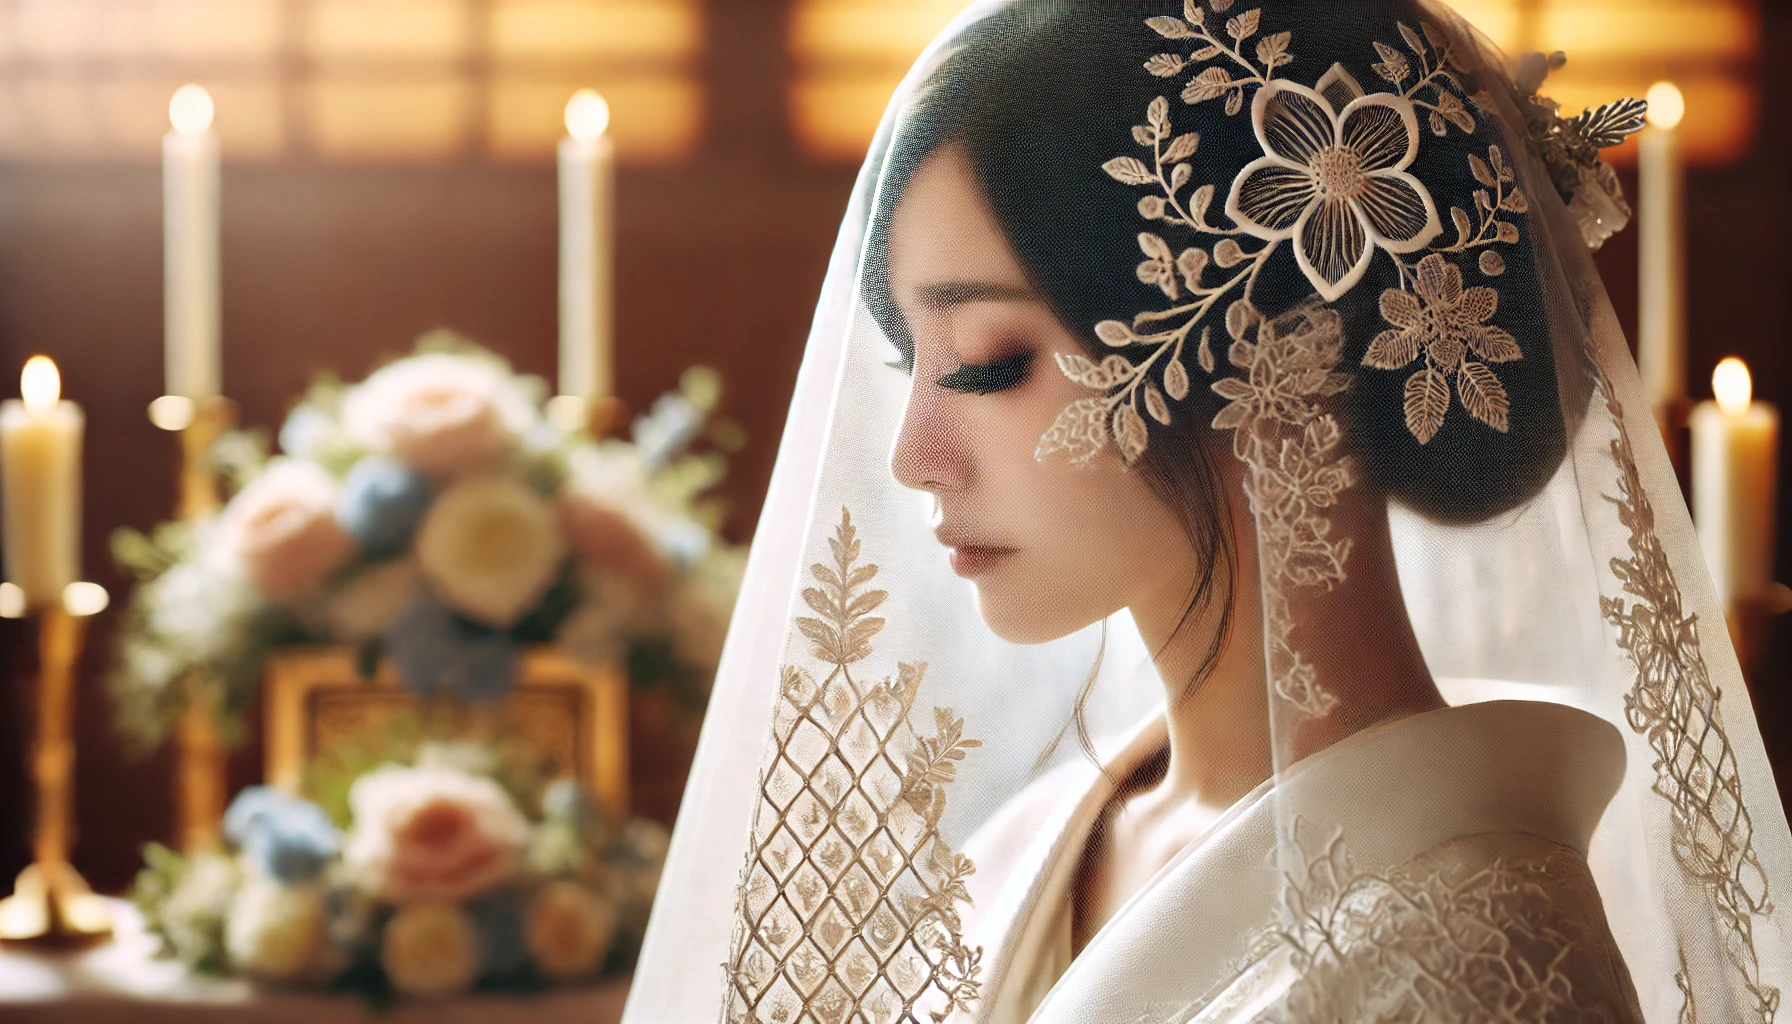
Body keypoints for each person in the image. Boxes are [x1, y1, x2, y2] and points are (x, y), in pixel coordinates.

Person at [625, 2, 1792, 1022]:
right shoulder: (1055, 827)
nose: (912, 458)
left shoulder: (1480, 969)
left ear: (1274, 354)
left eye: (985, 363)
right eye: (909, 361)